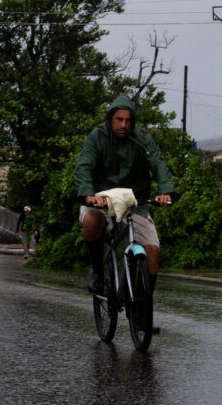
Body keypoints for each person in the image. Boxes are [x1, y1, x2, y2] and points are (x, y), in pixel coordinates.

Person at [74, 95, 176, 296]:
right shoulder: (97, 137)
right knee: (90, 223)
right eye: (119, 120)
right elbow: (84, 165)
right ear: (110, 119)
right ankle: (96, 269)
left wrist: (166, 191)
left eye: (128, 120)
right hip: (102, 200)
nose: (123, 125)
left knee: (153, 253)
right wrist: (88, 195)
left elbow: (157, 162)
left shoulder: (141, 138)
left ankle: (142, 306)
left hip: (135, 202)